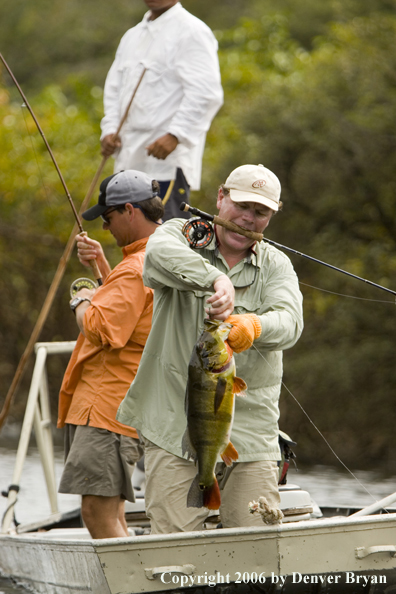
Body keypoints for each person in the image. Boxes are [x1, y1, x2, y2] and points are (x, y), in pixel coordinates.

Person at [116, 163, 304, 533]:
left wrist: (254, 324)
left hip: (253, 437)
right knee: (173, 549)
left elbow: (291, 322)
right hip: (173, 429)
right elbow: (156, 256)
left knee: (255, 552)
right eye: (242, 206)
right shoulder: (180, 234)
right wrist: (216, 279)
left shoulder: (277, 266)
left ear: (272, 215)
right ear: (220, 198)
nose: (249, 218)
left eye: (260, 211)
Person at [57, 169, 164, 539]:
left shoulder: (136, 268)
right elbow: (130, 312)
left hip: (107, 408)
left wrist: (81, 299)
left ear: (130, 211)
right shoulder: (148, 258)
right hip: (115, 406)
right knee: (111, 508)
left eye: (109, 218)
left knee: (96, 512)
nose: (106, 227)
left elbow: (103, 328)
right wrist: (103, 268)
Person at [100, 0, 223, 221]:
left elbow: (206, 93)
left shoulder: (192, 31)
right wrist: (109, 130)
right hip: (128, 164)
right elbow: (113, 91)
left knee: (164, 243)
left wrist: (176, 135)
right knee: (134, 242)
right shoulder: (131, 37)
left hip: (166, 166)